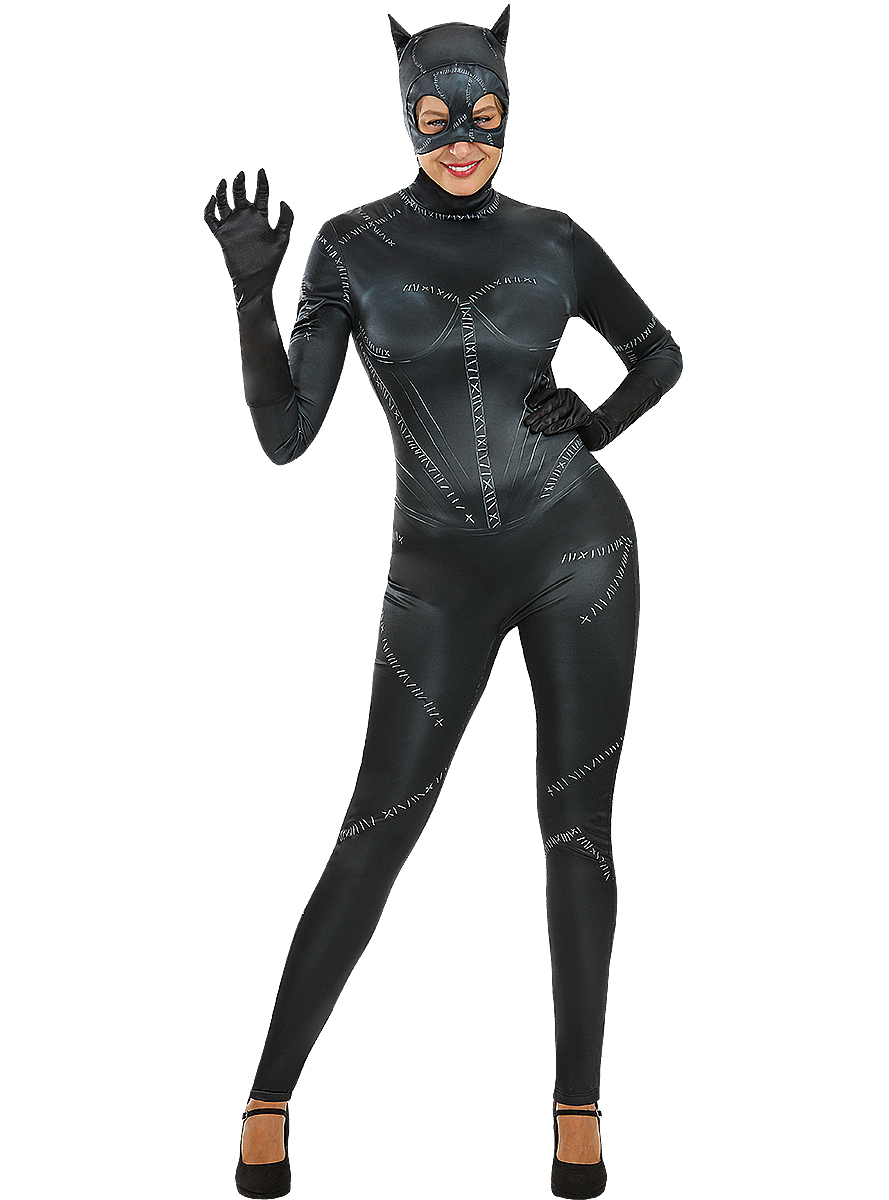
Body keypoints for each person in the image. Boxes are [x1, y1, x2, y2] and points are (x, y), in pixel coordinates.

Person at [204, 7, 681, 1197]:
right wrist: (252, 298)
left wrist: (597, 424)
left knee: (577, 830)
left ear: (510, 111)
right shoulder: (350, 246)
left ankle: (578, 1114)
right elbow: (284, 435)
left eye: (485, 116)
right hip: (436, 575)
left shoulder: (555, 238)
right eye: (436, 117)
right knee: (377, 826)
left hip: (582, 551)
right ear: (404, 112)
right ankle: (268, 1098)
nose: (463, 141)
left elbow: (660, 352)